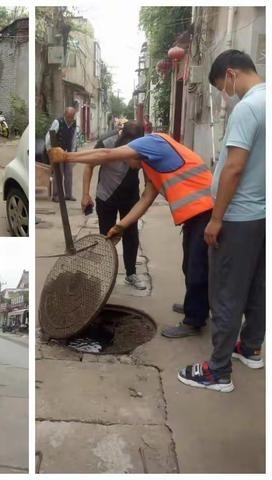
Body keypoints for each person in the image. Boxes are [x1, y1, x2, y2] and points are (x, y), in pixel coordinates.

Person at [49, 131, 213, 339]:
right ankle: (196, 306)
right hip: (195, 214)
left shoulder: (154, 143)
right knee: (189, 264)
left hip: (206, 209)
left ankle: (194, 320)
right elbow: (146, 199)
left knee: (196, 266)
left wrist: (67, 157)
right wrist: (121, 226)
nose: (126, 165)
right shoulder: (154, 165)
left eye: (126, 159)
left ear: (136, 151)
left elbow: (107, 154)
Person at [178, 50, 265, 393]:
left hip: (239, 216)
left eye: (222, 87)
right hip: (262, 214)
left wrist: (216, 218)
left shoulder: (248, 108)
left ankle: (218, 371)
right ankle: (251, 347)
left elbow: (234, 166)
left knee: (227, 292)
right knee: (258, 285)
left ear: (231, 73)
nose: (226, 94)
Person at [82, 121, 146, 290]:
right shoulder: (106, 143)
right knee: (106, 236)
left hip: (130, 196)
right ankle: (105, 275)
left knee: (131, 235)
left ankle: (131, 274)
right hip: (106, 196)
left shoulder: (144, 146)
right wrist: (85, 194)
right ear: (122, 137)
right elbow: (89, 165)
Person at [45, 107, 80, 201]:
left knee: (69, 174)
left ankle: (68, 194)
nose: (70, 119)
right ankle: (56, 195)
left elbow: (74, 139)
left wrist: (73, 152)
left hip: (68, 152)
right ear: (65, 115)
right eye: (68, 117)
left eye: (72, 117)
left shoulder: (74, 124)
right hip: (57, 152)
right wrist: (49, 151)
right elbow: (49, 136)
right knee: (58, 174)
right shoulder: (58, 122)